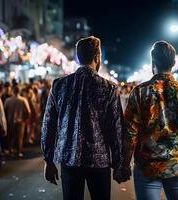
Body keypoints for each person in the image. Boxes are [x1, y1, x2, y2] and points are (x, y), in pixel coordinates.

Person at [41, 36, 128, 200]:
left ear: (77, 57)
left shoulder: (59, 85)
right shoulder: (108, 88)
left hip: (69, 159)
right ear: (97, 57)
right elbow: (115, 129)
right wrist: (118, 164)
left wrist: (48, 160)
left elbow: (48, 124)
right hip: (99, 161)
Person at [124, 41, 178, 200]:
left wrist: (124, 164)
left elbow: (130, 134)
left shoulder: (140, 92)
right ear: (174, 63)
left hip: (147, 167)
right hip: (177, 165)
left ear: (152, 61)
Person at [4, 85, 31, 158]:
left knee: (10, 137)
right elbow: (28, 111)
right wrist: (25, 119)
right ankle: (19, 152)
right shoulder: (23, 100)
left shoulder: (8, 100)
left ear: (13, 91)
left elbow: (4, 110)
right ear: (19, 91)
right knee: (19, 138)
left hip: (10, 121)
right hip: (20, 121)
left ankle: (10, 151)